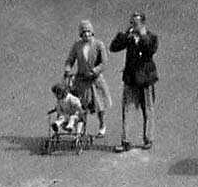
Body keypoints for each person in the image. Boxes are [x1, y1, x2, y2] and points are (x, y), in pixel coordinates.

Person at [109, 12, 158, 152]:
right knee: (128, 109)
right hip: (130, 79)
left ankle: (148, 138)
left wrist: (142, 36)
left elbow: (150, 50)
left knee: (148, 109)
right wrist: (124, 34)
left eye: (135, 23)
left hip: (146, 79)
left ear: (142, 24)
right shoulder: (129, 37)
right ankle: (126, 141)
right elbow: (114, 47)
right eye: (131, 23)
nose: (133, 26)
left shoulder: (151, 37)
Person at [64, 19, 113, 139]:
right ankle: (80, 130)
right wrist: (67, 69)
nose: (86, 34)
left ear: (92, 32)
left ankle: (102, 125)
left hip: (95, 80)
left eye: (88, 32)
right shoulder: (77, 46)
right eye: (84, 32)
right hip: (81, 80)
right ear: (81, 34)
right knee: (81, 106)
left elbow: (104, 63)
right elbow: (70, 60)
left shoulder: (98, 44)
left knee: (99, 105)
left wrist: (94, 71)